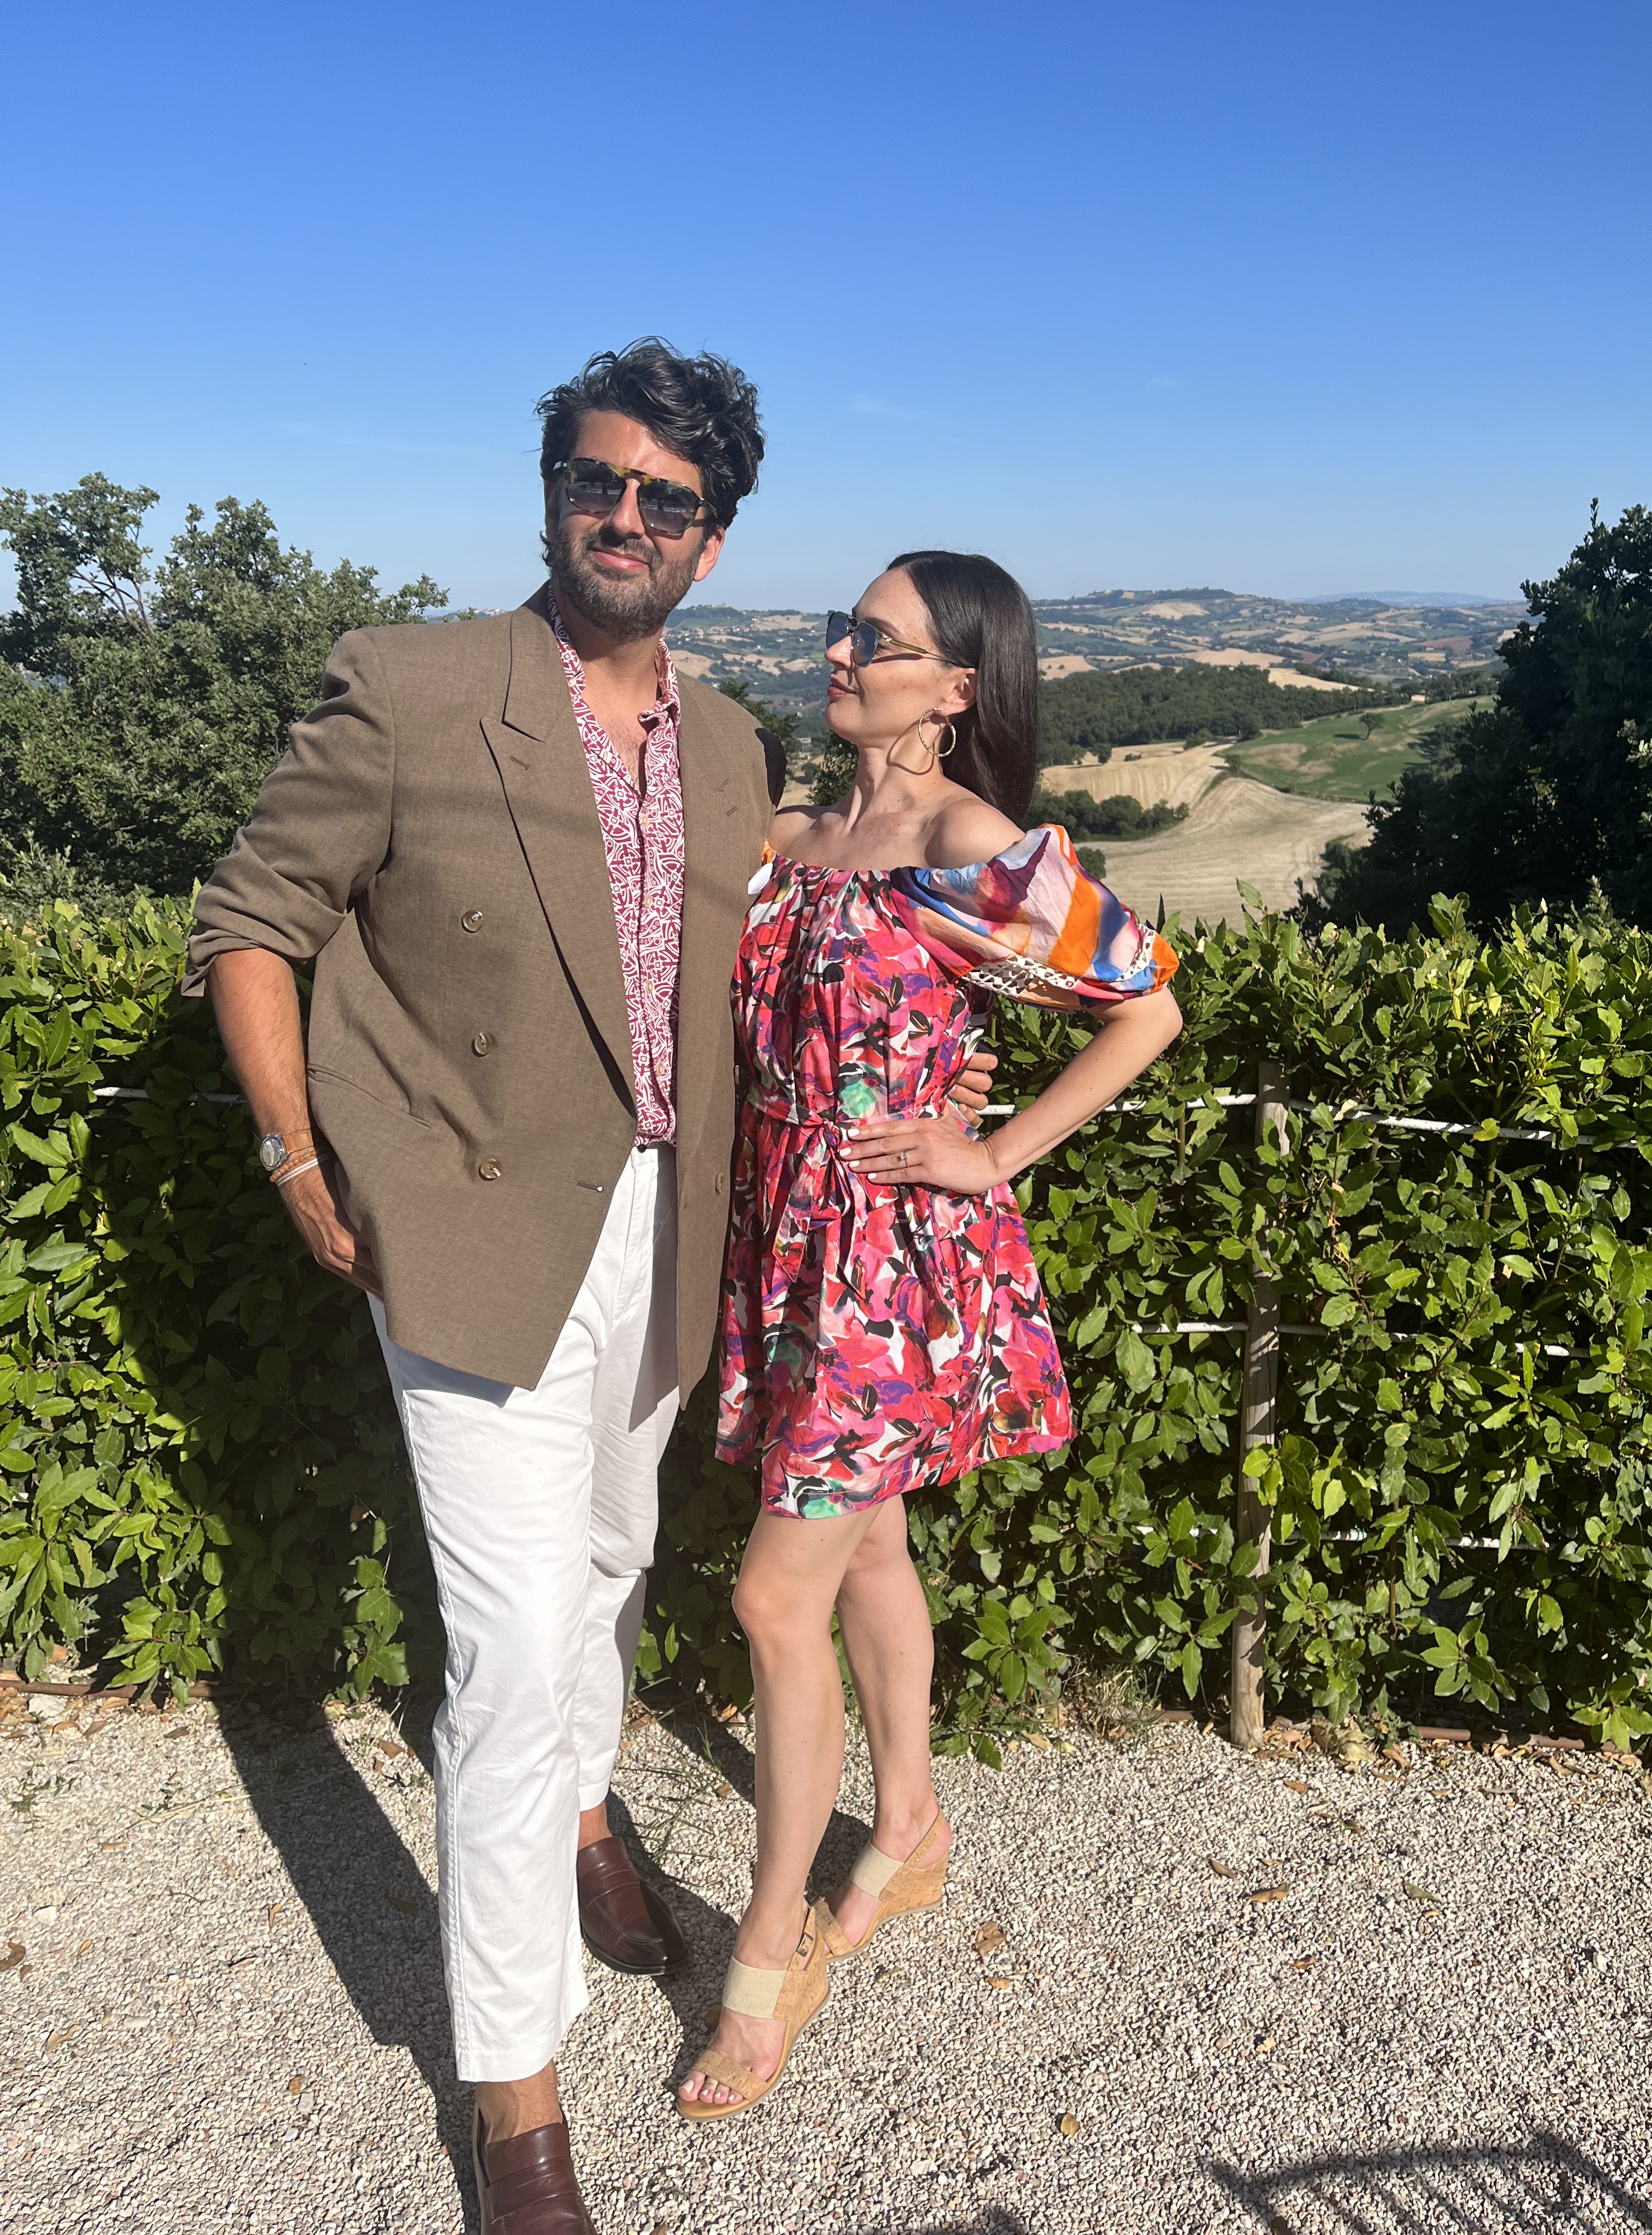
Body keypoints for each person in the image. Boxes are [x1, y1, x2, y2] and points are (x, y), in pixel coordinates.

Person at [184, 344, 995, 2235]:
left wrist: (955, 1102)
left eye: (666, 499)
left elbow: (830, 945)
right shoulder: (414, 685)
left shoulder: (732, 750)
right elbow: (252, 920)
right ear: (551, 490)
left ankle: (578, 1812)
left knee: (615, 1563)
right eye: (595, 479)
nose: (623, 516)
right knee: (505, 1653)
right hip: (468, 1239)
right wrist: (300, 1159)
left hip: (673, 1235)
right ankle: (515, 2100)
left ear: (713, 540)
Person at [676, 550, 1182, 2120]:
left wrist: (993, 1147)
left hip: (888, 1266)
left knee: (775, 1596)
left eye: (877, 641)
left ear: (958, 687)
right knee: (871, 1547)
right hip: (783, 1236)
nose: (842, 653)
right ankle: (907, 1828)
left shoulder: (972, 845)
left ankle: (769, 1948)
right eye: (845, 630)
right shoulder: (791, 838)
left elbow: (1146, 1006)